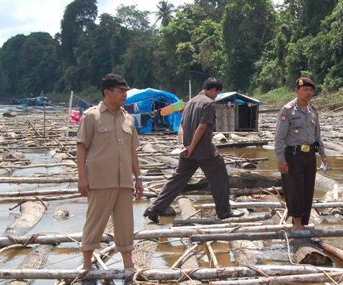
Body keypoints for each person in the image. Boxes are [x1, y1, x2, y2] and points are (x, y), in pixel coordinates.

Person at [143, 78, 242, 222]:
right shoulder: (208, 103)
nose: (216, 95)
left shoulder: (189, 103)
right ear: (213, 90)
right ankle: (224, 212)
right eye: (217, 92)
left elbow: (181, 127)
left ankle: (155, 208)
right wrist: (192, 147)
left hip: (187, 151)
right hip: (204, 151)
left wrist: (182, 145)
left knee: (177, 180)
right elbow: (202, 127)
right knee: (220, 179)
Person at [77, 73, 143, 270]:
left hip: (124, 181)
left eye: (125, 91)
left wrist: (138, 178)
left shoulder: (128, 119)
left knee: (125, 224)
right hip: (100, 180)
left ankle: (128, 265)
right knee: (95, 222)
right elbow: (81, 149)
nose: (125, 95)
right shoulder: (91, 116)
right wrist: (82, 179)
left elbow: (132, 152)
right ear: (107, 92)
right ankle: (87, 264)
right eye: (120, 91)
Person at [274, 77, 328, 231]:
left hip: (310, 155)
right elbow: (279, 137)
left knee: (307, 189)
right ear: (296, 91)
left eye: (311, 90)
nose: (308, 93)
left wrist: (323, 156)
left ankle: (303, 222)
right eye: (305, 90)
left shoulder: (313, 111)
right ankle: (296, 224)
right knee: (294, 189)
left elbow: (317, 136)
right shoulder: (288, 110)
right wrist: (280, 160)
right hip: (293, 155)